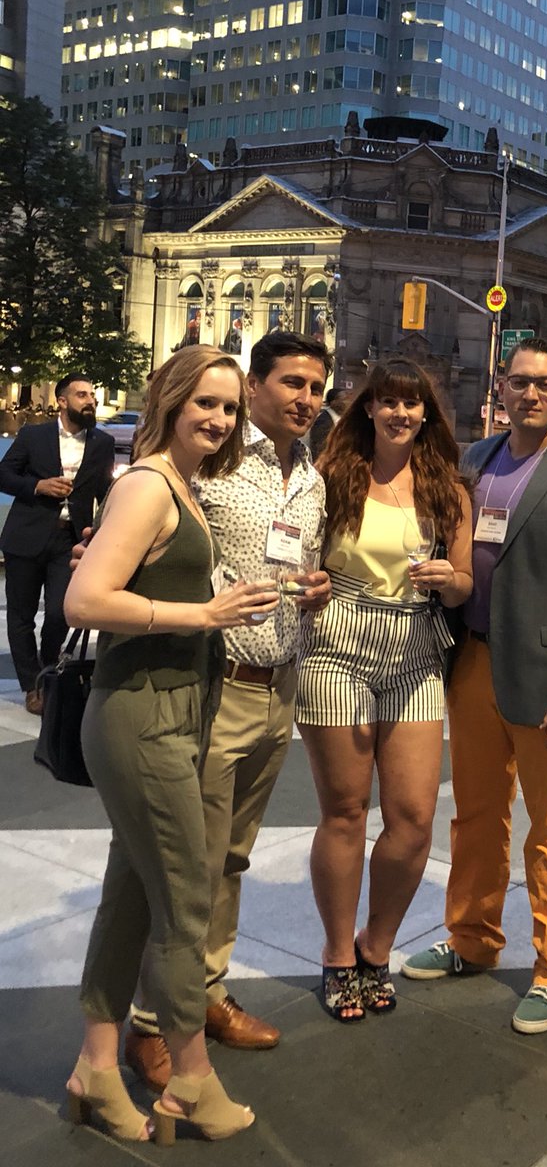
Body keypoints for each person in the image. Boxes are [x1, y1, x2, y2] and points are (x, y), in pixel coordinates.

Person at [63, 346, 279, 1145]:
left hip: (174, 711)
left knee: (132, 898)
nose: (220, 419)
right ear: (171, 399)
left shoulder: (180, 486)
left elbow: (144, 582)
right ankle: (189, 1078)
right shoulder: (150, 484)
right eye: (207, 403)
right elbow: (87, 598)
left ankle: (94, 1065)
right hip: (140, 715)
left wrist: (214, 601)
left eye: (230, 408)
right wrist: (202, 618)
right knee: (188, 900)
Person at [123, 330, 332, 1092]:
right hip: (212, 684)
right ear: (257, 385)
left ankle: (205, 992)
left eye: (316, 386)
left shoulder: (310, 475)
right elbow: (149, 538)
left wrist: (320, 587)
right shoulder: (210, 457)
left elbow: (299, 563)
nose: (306, 399)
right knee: (188, 864)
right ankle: (152, 1022)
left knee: (232, 858)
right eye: (291, 384)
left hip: (279, 685)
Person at [402, 337, 547, 1035]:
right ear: (501, 388)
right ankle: (471, 936)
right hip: (470, 660)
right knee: (474, 812)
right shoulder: (475, 461)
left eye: (544, 384)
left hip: (544, 678)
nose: (530, 394)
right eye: (518, 382)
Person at [297, 357, 473, 1021]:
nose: (401, 412)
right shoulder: (331, 478)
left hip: (415, 650)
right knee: (345, 812)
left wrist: (446, 581)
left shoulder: (446, 490)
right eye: (388, 401)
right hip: (338, 647)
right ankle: (339, 955)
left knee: (413, 819)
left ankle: (378, 944)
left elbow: (462, 581)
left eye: (413, 403)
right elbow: (300, 561)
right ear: (366, 408)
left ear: (427, 412)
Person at [0, 374, 114, 715]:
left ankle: (48, 669)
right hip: (26, 534)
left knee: (60, 612)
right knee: (20, 616)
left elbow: (105, 492)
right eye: (82, 395)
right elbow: (4, 474)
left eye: (92, 394)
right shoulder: (34, 435)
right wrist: (38, 487)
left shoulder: (103, 443)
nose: (90, 400)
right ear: (62, 400)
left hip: (70, 539)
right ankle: (31, 684)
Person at [307, 385, 350, 460]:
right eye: (344, 399)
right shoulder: (323, 422)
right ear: (333, 402)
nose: (347, 402)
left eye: (348, 399)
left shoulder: (343, 419)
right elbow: (319, 451)